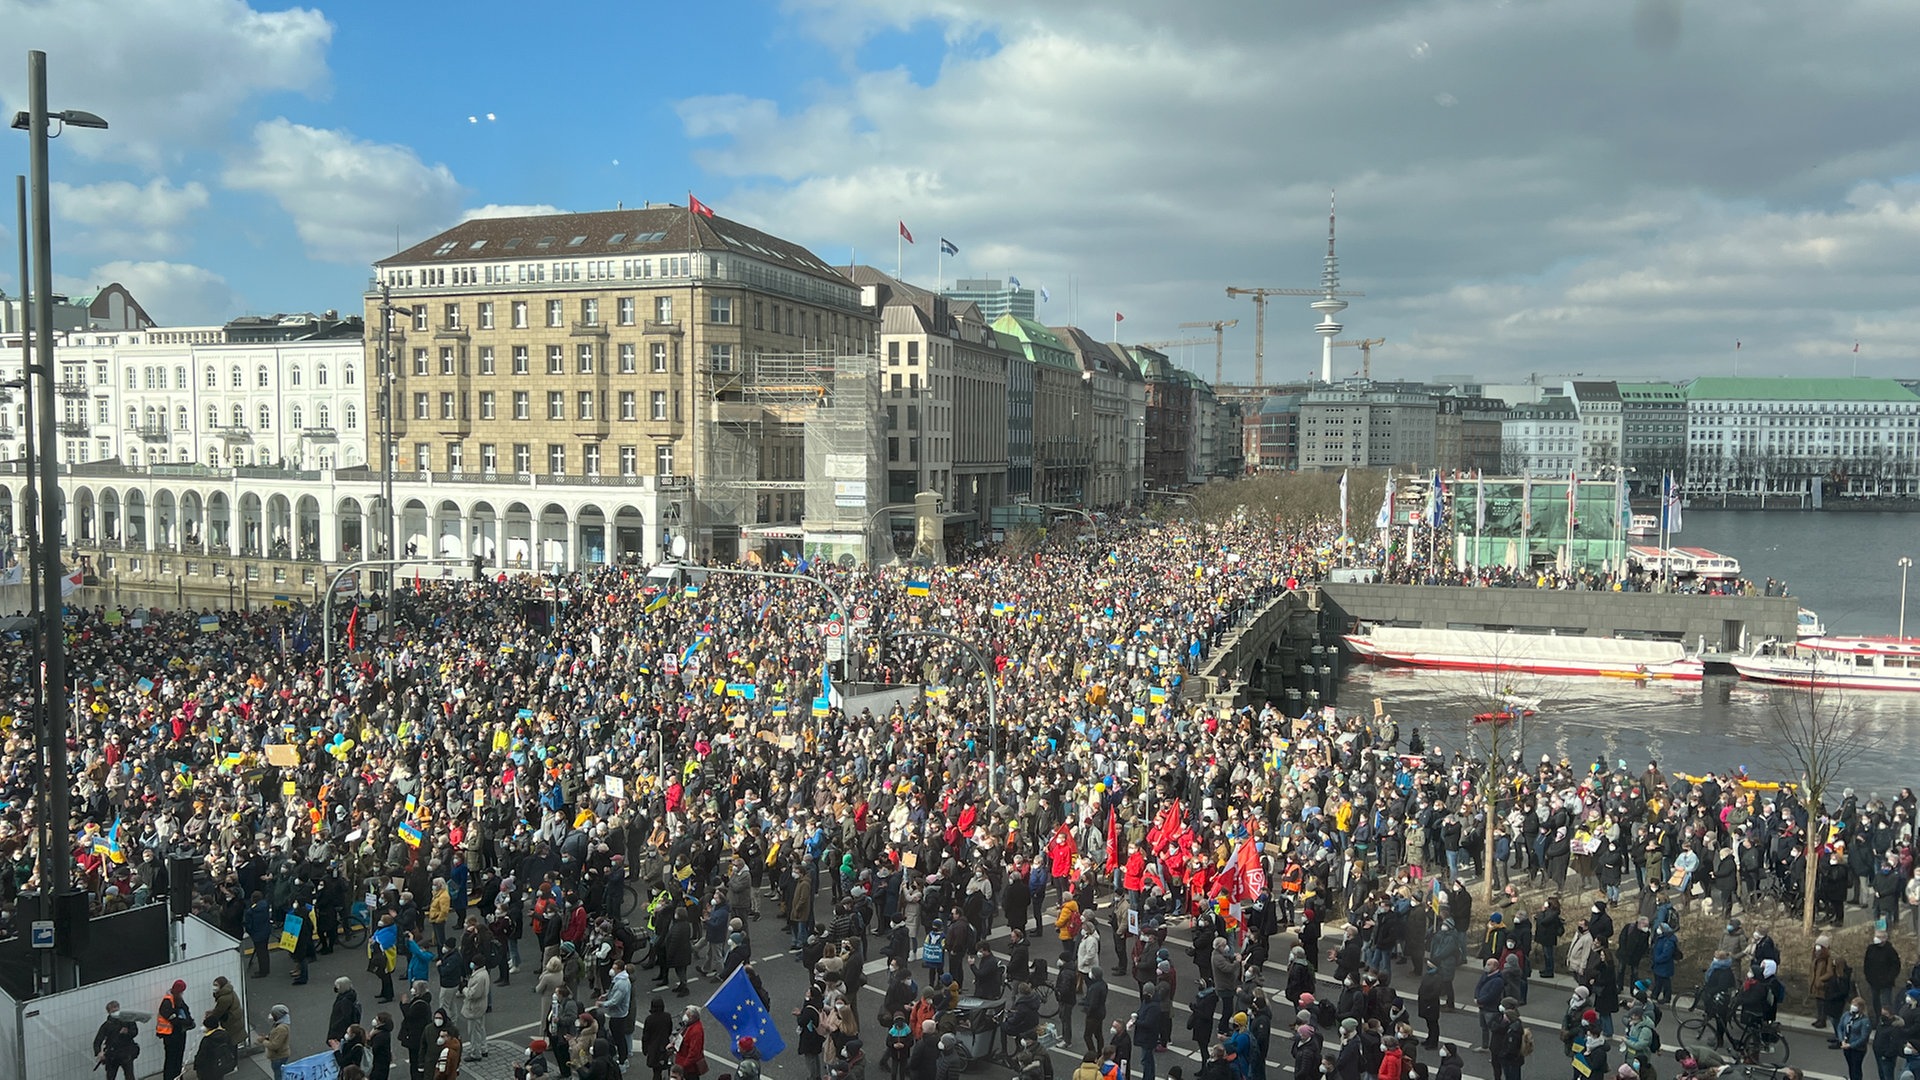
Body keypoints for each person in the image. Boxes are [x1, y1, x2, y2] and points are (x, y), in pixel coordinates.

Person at [157, 977, 194, 1080]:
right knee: (171, 1059)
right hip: (170, 1035)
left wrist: (189, 1021)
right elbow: (173, 1019)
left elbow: (185, 1012)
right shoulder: (167, 1002)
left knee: (178, 1058)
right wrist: (186, 1022)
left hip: (178, 1033)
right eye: (181, 992)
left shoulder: (178, 1001)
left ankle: (177, 1077)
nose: (182, 994)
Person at [93, 1001, 142, 1080]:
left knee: (129, 1076)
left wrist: (127, 1032)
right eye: (113, 1011)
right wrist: (99, 1053)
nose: (116, 1013)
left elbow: (135, 1032)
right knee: (111, 1076)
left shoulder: (127, 1021)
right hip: (112, 1055)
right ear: (109, 1012)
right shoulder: (106, 1025)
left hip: (126, 1052)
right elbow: (97, 1041)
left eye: (117, 1010)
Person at [400, 981, 435, 1080]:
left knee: (415, 1061)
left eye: (414, 988)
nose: (412, 990)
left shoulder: (420, 1004)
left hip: (416, 1037)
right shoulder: (422, 1001)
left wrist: (404, 1004)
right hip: (419, 1036)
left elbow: (409, 1015)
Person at [461, 959, 493, 1057]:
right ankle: (484, 1048)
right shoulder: (484, 973)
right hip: (481, 1005)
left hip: (475, 1007)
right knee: (481, 1028)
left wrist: (464, 989)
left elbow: (473, 994)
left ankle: (475, 1053)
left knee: (474, 1031)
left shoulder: (479, 977)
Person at [194, 1015, 239, 1080]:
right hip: (221, 1066)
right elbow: (232, 1048)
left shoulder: (207, 1040)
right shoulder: (225, 1035)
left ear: (208, 1027)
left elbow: (201, 1056)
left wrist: (196, 1066)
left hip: (208, 1069)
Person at [642, 997, 675, 1080]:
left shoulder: (649, 1019)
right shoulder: (667, 1016)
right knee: (669, 1067)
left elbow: (646, 1036)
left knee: (656, 1072)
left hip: (654, 1048)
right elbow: (669, 1030)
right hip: (665, 1046)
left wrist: (645, 1049)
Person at [674, 1005, 707, 1078]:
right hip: (683, 1063)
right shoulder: (689, 1024)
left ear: (692, 1017)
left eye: (687, 1015)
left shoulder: (696, 1032)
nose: (685, 1016)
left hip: (689, 1068)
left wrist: (684, 1065)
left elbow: (694, 1052)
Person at [331, 975, 364, 1045]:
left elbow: (346, 1017)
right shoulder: (350, 995)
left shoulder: (345, 1001)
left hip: (340, 1029)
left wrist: (335, 1026)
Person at [263, 1004, 293, 1080]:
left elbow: (274, 1045)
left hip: (279, 1056)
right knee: (280, 1073)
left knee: (278, 1075)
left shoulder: (281, 1028)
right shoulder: (281, 1024)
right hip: (280, 1055)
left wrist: (264, 1041)